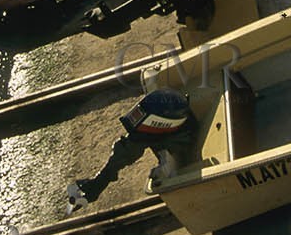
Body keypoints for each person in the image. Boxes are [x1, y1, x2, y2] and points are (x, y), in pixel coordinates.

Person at [67, 89, 195, 210]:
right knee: (125, 149)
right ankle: (93, 188)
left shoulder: (172, 140)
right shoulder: (152, 131)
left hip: (173, 139)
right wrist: (98, 182)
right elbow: (126, 150)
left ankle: (93, 189)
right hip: (167, 133)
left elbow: (133, 145)